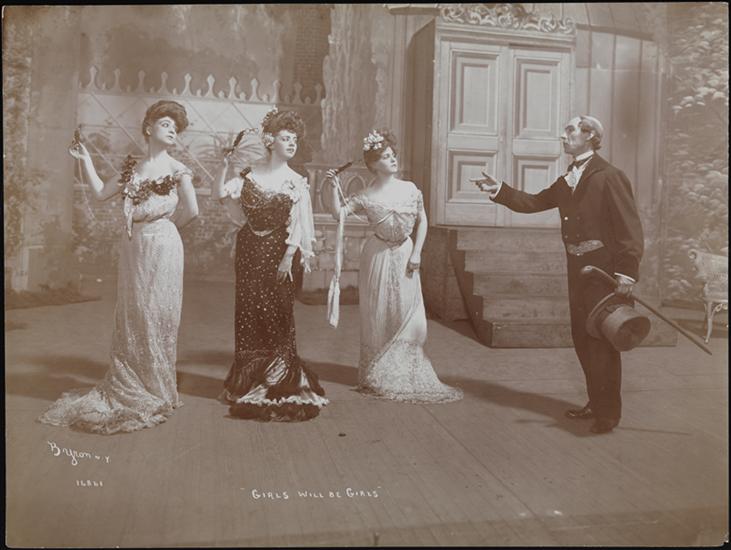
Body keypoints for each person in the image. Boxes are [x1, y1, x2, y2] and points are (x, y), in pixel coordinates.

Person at [473, 115, 644, 434]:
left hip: (604, 273)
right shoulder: (567, 179)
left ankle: (608, 414)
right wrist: (500, 191)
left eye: (570, 130)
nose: (563, 136)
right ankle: (596, 402)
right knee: (583, 338)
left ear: (590, 135)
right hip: (577, 271)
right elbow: (534, 202)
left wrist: (627, 273)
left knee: (602, 341)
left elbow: (629, 228)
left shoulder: (610, 176)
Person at [39, 100, 199, 434]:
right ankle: (133, 380)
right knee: (134, 312)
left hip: (164, 245)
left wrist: (164, 228)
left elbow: (192, 211)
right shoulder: (132, 169)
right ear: (148, 128)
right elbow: (100, 193)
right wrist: (86, 160)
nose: (172, 130)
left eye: (176, 127)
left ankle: (157, 387)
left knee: (158, 312)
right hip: (133, 247)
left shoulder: (179, 170)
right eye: (166, 124)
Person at [326, 129, 463, 403]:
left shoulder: (410, 189)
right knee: (378, 312)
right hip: (376, 256)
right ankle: (376, 371)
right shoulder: (366, 195)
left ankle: (404, 370)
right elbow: (338, 214)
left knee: (410, 314)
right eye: (386, 157)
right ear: (374, 164)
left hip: (405, 253)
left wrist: (418, 253)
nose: (393, 159)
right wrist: (330, 187)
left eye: (393, 155)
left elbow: (423, 220)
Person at [212, 108, 328, 421]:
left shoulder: (296, 182)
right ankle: (249, 379)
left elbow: (299, 223)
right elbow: (222, 196)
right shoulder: (248, 176)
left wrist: (288, 257)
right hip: (249, 251)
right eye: (285, 138)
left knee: (277, 312)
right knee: (248, 311)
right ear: (270, 141)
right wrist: (224, 166)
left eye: (294, 139)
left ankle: (278, 377)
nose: (291, 143)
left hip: (279, 254)